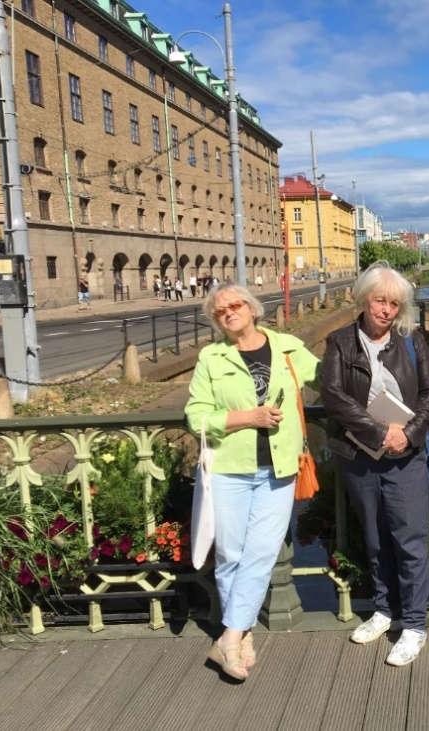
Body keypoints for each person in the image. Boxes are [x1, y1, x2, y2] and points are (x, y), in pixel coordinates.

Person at [185, 283, 319, 680]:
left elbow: (332, 375)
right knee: (230, 553)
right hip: (229, 467)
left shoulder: (288, 348)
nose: (228, 312)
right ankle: (239, 636)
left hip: (279, 468)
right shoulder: (211, 358)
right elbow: (196, 416)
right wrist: (248, 418)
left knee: (260, 551)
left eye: (235, 304)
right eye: (220, 310)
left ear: (253, 308)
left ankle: (227, 636)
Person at [321, 262, 429, 667]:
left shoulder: (411, 340)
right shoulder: (340, 342)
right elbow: (334, 395)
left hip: (405, 455)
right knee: (374, 538)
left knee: (410, 540)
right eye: (379, 300)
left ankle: (415, 624)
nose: (386, 310)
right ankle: (384, 610)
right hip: (360, 455)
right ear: (364, 299)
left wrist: (407, 434)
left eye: (394, 303)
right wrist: (377, 432)